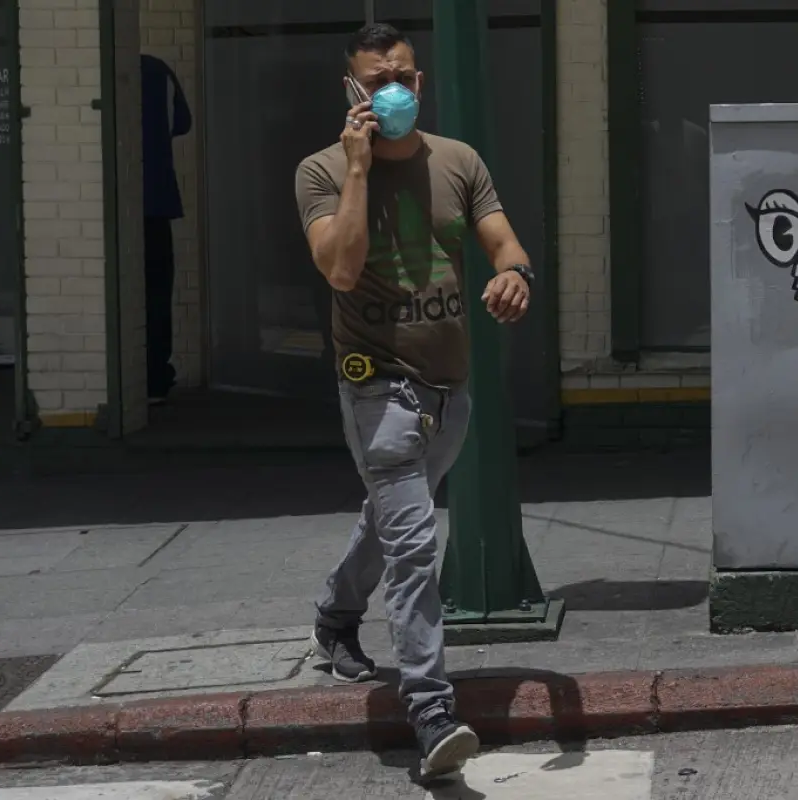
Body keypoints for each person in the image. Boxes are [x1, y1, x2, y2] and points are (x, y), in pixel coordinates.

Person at [293, 23, 534, 778]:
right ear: (351, 91)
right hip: (376, 385)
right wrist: (361, 167)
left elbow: (502, 241)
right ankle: (432, 713)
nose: (388, 91)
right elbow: (339, 269)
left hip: (448, 384)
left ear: (419, 84)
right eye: (373, 81)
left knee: (392, 521)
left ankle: (336, 617)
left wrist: (515, 274)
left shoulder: (458, 161)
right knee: (415, 546)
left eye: (400, 76)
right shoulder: (322, 171)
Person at [140, 53, 192, 404]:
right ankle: (155, 376)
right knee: (156, 292)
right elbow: (182, 122)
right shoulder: (157, 70)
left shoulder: (92, 69)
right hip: (155, 199)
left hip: (107, 204)